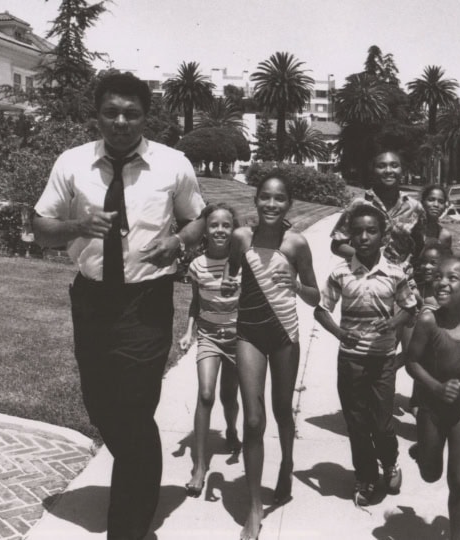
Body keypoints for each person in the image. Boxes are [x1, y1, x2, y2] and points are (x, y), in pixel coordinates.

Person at [32, 72, 206, 540]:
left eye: (131, 113)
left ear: (146, 116)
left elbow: (199, 220)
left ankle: (128, 527)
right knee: (101, 405)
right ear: (98, 115)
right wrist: (76, 225)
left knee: (132, 408)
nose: (121, 121)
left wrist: (178, 242)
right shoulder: (72, 163)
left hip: (146, 301)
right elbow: (40, 229)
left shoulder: (173, 165)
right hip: (91, 301)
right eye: (111, 112)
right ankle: (138, 482)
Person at [221, 173, 319, 540]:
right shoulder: (241, 238)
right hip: (248, 332)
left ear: (289, 203)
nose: (272, 205)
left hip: (284, 336)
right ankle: (254, 506)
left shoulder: (296, 244)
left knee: (281, 410)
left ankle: (288, 463)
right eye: (265, 197)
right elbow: (231, 273)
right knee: (253, 420)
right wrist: (230, 282)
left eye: (280, 199)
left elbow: (315, 296)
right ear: (256, 200)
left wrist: (295, 284)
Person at [314, 203, 417, 507]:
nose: (364, 237)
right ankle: (366, 476)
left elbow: (410, 307)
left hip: (383, 359)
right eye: (357, 231)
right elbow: (321, 310)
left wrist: (393, 322)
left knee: (382, 424)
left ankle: (391, 462)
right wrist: (339, 332)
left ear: (383, 237)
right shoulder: (340, 273)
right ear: (351, 237)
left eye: (371, 231)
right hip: (350, 360)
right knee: (357, 423)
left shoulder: (394, 273)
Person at [405, 253, 460, 540]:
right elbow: (412, 362)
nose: (441, 283)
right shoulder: (428, 322)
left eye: (452, 278)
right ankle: (423, 452)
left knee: (459, 481)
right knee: (431, 475)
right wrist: (436, 388)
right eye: (438, 277)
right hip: (432, 410)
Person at [178, 203, 242, 498]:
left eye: (226, 225)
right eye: (214, 224)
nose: (219, 230)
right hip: (209, 337)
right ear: (205, 229)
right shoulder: (197, 265)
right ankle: (199, 466)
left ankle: (231, 430)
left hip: (238, 340)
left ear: (234, 230)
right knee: (206, 394)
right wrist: (189, 331)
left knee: (230, 395)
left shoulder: (243, 263)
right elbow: (196, 302)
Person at [330, 139, 426, 269]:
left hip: (402, 281)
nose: (388, 170)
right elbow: (337, 245)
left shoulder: (414, 207)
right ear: (373, 171)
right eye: (381, 166)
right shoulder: (359, 205)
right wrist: (369, 259)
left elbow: (421, 246)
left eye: (394, 165)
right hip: (365, 279)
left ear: (402, 170)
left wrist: (409, 265)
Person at [419, 184, 453, 251]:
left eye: (441, 202)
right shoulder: (410, 228)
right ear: (422, 202)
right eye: (431, 200)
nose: (436, 205)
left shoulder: (444, 236)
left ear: (445, 206)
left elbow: (445, 260)